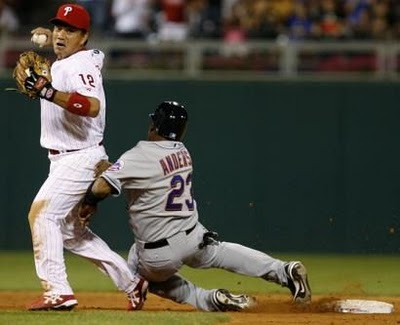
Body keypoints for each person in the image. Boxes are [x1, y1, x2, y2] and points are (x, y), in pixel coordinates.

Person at [77, 100, 312, 312]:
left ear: (153, 126)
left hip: (159, 252)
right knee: (219, 252)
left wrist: (89, 202)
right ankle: (284, 271)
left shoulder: (138, 155)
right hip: (192, 235)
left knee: (135, 274)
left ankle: (209, 299)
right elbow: (144, 173)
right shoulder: (182, 151)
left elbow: (101, 188)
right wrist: (114, 169)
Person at [22, 3, 147, 311]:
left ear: (84, 36)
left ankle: (58, 291)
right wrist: (44, 34)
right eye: (58, 28)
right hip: (66, 158)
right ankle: (132, 283)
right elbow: (56, 44)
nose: (61, 35)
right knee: (70, 232)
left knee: (43, 216)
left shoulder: (80, 64)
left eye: (70, 30)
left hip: (79, 157)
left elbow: (91, 106)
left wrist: (48, 92)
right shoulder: (70, 59)